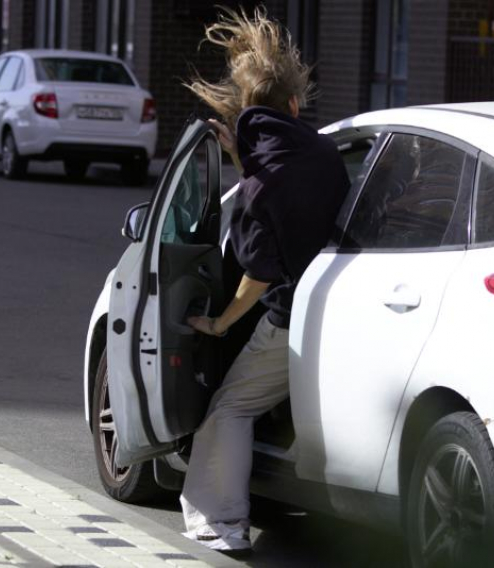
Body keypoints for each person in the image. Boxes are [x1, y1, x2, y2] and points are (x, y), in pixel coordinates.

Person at [179, 8, 351, 555]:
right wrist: (241, 158)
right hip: (346, 304)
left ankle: (222, 524)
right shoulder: (326, 152)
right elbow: (285, 185)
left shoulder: (259, 186)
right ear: (295, 106)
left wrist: (219, 321)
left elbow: (260, 271)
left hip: (290, 319)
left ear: (248, 111)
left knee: (231, 408)